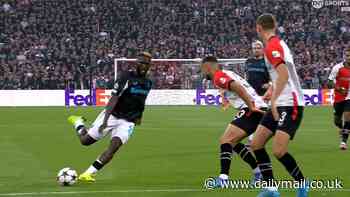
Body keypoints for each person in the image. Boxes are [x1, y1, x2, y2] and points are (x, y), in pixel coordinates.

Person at [67, 52, 153, 182]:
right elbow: (113, 99)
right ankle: (78, 123)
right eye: (141, 62)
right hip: (113, 115)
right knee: (86, 141)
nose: (143, 65)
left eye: (146, 63)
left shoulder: (148, 82)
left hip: (128, 121)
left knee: (114, 147)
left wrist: (139, 116)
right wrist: (105, 120)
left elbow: (142, 100)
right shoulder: (126, 77)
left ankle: (88, 173)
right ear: (136, 63)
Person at [251, 14, 308, 197]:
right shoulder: (278, 44)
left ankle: (302, 183)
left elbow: (283, 75)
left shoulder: (272, 46)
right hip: (281, 100)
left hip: (290, 104)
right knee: (257, 143)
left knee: (278, 151)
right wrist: (272, 92)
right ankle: (271, 188)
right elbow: (281, 77)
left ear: (258, 27)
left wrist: (273, 101)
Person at [200, 56, 266, 187]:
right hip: (254, 107)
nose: (203, 73)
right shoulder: (226, 73)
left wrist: (251, 106)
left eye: (203, 69)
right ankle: (258, 173)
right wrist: (224, 97)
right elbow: (233, 86)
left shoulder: (219, 76)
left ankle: (224, 178)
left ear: (208, 67)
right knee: (234, 143)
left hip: (252, 109)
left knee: (226, 140)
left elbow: (237, 87)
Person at [328, 47, 350, 150]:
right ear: (344, 56)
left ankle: (343, 142)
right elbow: (329, 82)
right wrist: (339, 89)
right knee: (337, 120)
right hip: (339, 97)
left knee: (347, 116)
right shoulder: (337, 68)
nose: (348, 57)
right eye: (347, 55)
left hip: (349, 97)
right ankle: (342, 129)